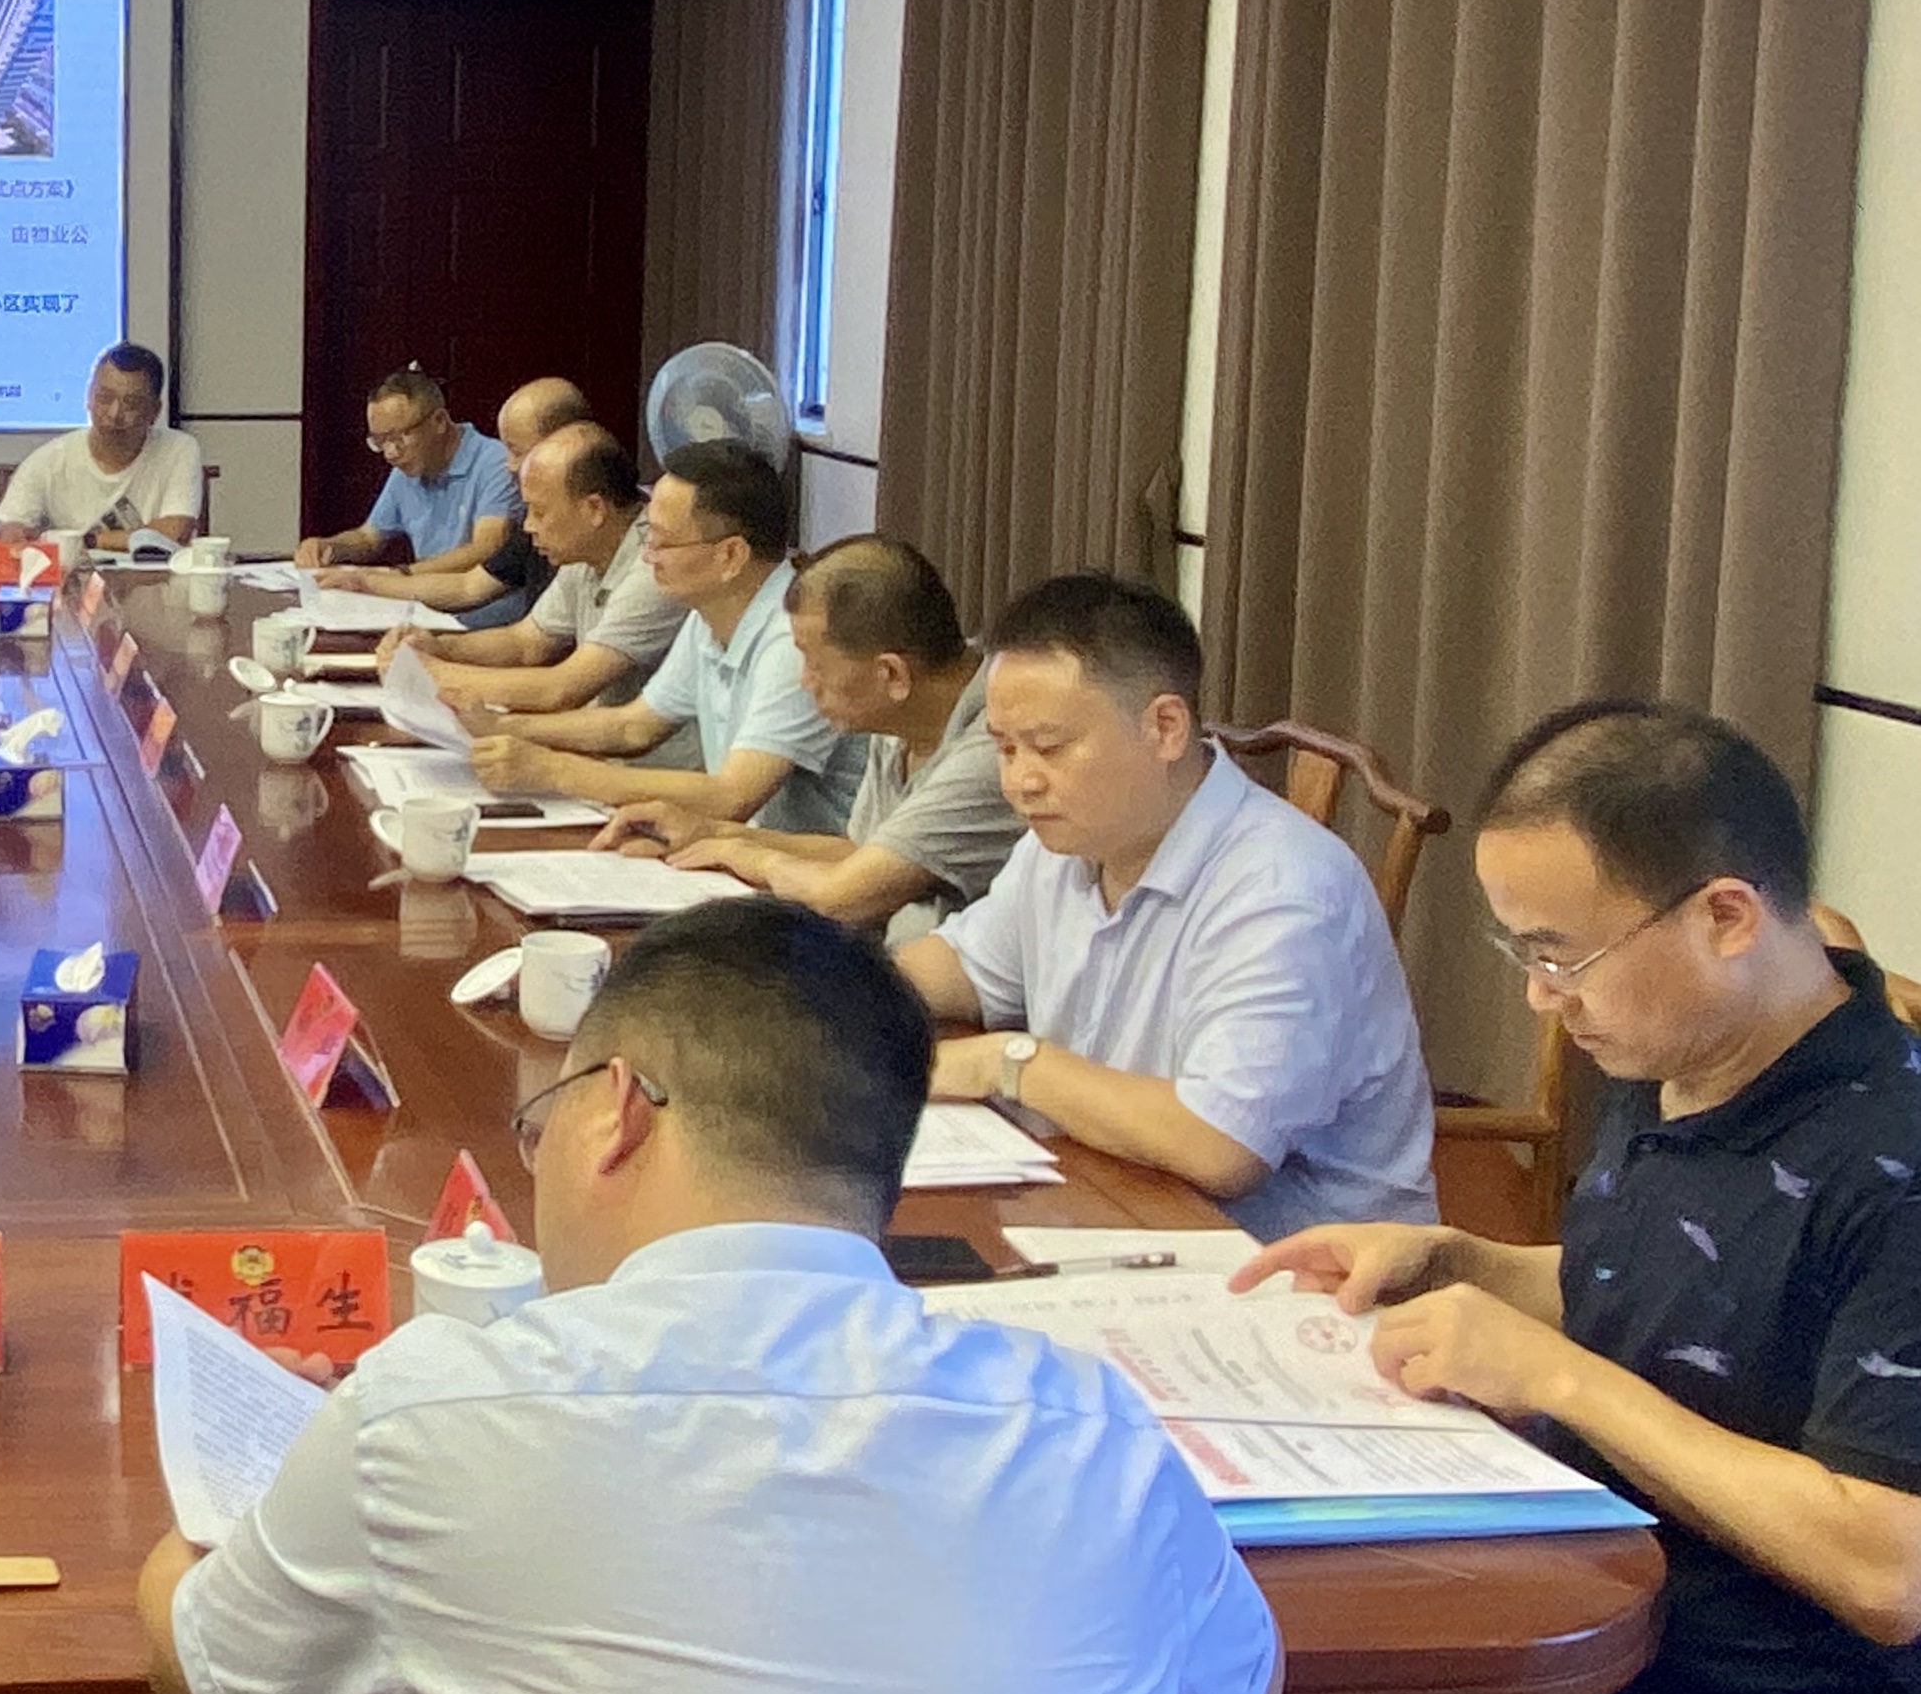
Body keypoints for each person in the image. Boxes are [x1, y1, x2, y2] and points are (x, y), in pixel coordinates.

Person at [138, 898, 1283, 1694]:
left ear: (615, 1109)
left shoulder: (432, 1414)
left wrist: (222, 1508)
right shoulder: (1088, 1427)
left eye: (537, 1124)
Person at [1209, 702, 1921, 1694]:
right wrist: (1463, 1262)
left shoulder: (1891, 1163)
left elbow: (1889, 1566)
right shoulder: (1683, 1044)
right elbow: (1679, 1291)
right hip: (1603, 1649)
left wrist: (1559, 1376)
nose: (1542, 996)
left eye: (1559, 954)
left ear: (1723, 915)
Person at [891, 572, 1435, 1243]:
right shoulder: (1064, 844)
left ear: (1165, 727)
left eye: (1048, 747)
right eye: (1004, 748)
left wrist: (1009, 1062)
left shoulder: (1282, 886)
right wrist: (822, 988)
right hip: (1107, 1207)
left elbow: (1220, 1144)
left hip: (1297, 1264)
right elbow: (953, 970)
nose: (1020, 781)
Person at [634, 534, 1021, 942]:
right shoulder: (902, 715)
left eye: (815, 664)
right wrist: (714, 834)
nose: (805, 681)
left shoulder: (998, 743)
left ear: (892, 674)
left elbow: (844, 896)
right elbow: (860, 852)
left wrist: (748, 857)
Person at [467, 440, 865, 833]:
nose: (647, 555)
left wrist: (554, 770)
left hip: (811, 862)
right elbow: (635, 726)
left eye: (661, 541)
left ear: (730, 555)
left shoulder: (793, 639)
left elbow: (732, 795)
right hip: (746, 848)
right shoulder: (709, 612)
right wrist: (505, 728)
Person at [372, 421, 678, 716]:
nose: (528, 526)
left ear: (594, 509)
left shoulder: (655, 566)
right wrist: (438, 647)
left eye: (539, 512)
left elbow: (562, 688)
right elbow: (526, 642)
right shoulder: (586, 548)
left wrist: (431, 673)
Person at [312, 376, 592, 626]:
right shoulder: (407, 469)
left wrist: (398, 576)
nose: (391, 452)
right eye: (380, 441)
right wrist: (346, 563)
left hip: (492, 614)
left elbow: (486, 551)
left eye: (400, 437)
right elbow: (468, 587)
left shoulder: (494, 464)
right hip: (449, 602)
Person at [0, 343, 203, 549]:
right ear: (88, 398)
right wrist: (5, 531)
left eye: (131, 403)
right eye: (104, 398)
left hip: (156, 576)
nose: (114, 414)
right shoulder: (50, 459)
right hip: (74, 578)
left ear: (155, 410)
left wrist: (86, 541)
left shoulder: (178, 449)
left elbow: (174, 531)